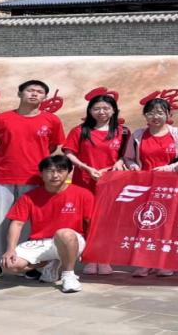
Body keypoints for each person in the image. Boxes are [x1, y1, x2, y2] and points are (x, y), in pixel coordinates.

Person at [0, 80, 66, 285]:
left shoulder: (51, 120)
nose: (34, 94)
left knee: (29, 223)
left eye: (39, 92)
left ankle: (25, 262)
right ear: (20, 94)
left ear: (45, 97)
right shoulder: (1, 119)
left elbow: (51, 147)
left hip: (35, 179)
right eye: (30, 90)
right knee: (0, 222)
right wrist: (6, 160)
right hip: (2, 177)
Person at [0, 155, 95, 294]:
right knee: (9, 266)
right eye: (50, 171)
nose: (55, 175)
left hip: (71, 241)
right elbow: (17, 224)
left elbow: (91, 223)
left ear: (69, 172)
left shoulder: (83, 194)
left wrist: (91, 251)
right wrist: (10, 249)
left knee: (63, 233)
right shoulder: (29, 197)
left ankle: (68, 275)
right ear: (41, 173)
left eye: (60, 171)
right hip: (41, 242)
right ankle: (49, 262)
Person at [121, 97, 178, 277]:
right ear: (145, 115)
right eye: (151, 113)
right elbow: (128, 158)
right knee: (144, 224)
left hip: (170, 187)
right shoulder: (138, 135)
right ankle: (144, 262)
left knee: (167, 225)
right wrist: (134, 168)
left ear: (169, 114)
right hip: (145, 186)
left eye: (160, 112)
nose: (155, 116)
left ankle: (164, 262)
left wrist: (168, 168)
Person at [63, 94, 129, 276]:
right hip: (85, 181)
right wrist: (86, 168)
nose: (101, 112)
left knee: (107, 220)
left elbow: (126, 155)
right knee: (87, 219)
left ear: (114, 110)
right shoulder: (80, 130)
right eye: (97, 108)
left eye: (106, 108)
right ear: (90, 111)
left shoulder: (122, 132)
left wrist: (118, 163)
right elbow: (69, 153)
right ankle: (90, 257)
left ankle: (105, 257)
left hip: (111, 182)